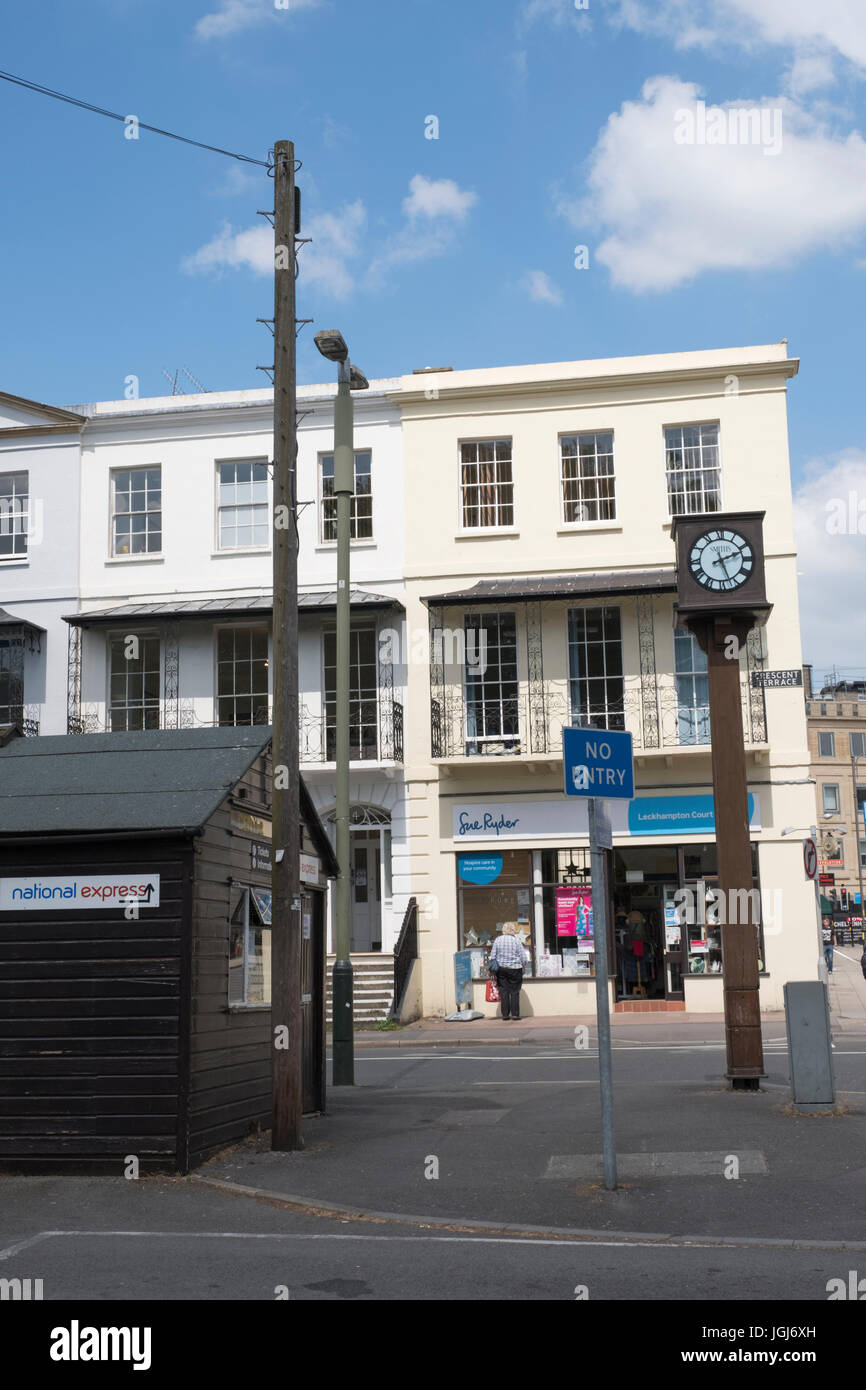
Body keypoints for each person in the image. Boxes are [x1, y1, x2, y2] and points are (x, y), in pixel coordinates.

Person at [488, 922, 530, 1020]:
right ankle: (515, 1014)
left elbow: (493, 956)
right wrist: (523, 965)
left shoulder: (498, 940)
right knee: (515, 991)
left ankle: (505, 1014)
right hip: (515, 969)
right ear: (513, 930)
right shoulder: (516, 941)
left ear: (503, 929)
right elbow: (523, 957)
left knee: (503, 991)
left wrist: (493, 972)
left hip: (501, 969)